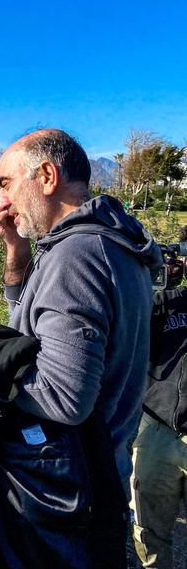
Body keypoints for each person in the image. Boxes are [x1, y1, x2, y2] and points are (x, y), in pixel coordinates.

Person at [0, 128, 161, 567]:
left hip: (67, 494)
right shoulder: (111, 240)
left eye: (6, 184)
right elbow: (34, 324)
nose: (1, 202)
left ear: (46, 175)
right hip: (99, 474)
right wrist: (17, 254)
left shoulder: (77, 256)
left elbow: (65, 397)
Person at [130, 231, 187, 569]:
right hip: (157, 427)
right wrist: (158, 285)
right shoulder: (168, 301)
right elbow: (131, 331)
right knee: (148, 533)